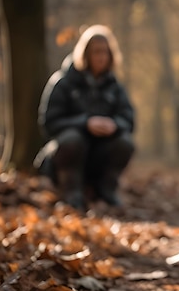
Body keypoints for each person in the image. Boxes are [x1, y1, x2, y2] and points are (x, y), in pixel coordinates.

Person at [34, 25, 135, 210]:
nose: (101, 56)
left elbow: (128, 119)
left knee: (125, 142)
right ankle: (71, 192)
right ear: (85, 53)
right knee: (73, 139)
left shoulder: (115, 87)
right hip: (65, 155)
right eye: (96, 51)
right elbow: (49, 123)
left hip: (99, 155)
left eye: (105, 52)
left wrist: (114, 125)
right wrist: (85, 123)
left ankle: (106, 191)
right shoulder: (63, 82)